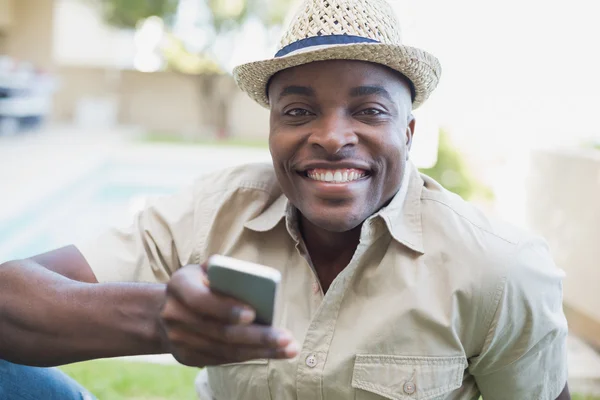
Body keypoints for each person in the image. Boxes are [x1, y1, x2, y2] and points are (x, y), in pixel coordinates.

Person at [0, 0, 571, 398]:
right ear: (271, 127)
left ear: (409, 134)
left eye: (369, 110)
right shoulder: (214, 213)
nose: (329, 135)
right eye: (298, 111)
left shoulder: (500, 269)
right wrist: (154, 319)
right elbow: (10, 299)